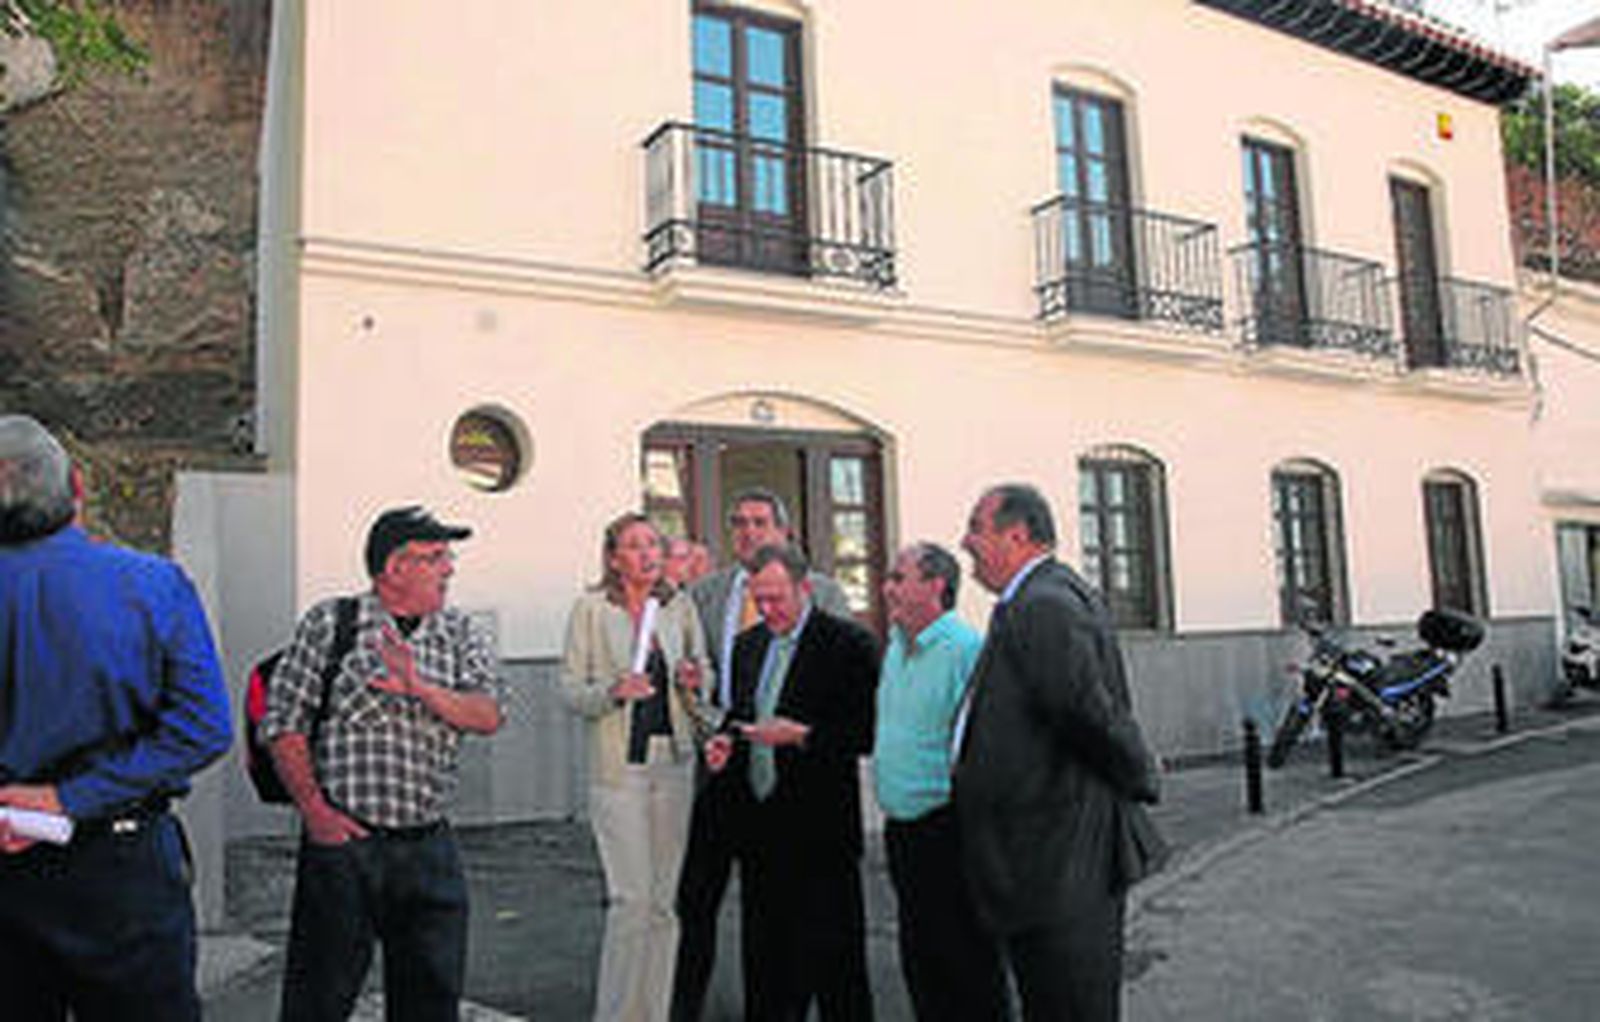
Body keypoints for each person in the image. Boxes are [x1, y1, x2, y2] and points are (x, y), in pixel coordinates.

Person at [0, 414, 233, 1021]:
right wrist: (67, 797)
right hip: (122, 871)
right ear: (77, 487)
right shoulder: (153, 585)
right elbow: (203, 729)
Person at [260, 504, 505, 1022]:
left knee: (431, 998)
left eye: (448, 556)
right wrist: (315, 813)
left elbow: (488, 715)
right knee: (319, 996)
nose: (449, 568)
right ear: (395, 568)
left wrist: (419, 687)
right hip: (347, 844)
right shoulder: (333, 622)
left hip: (429, 844)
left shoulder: (458, 632)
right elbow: (283, 722)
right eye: (435, 557)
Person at [954, 484, 1166, 1022]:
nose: (966, 542)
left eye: (977, 529)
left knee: (1069, 1002)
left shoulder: (1044, 604)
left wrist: (1142, 773)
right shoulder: (1034, 597)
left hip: (1060, 859)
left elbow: (1087, 713)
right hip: (1044, 855)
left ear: (1017, 535)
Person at [671, 488, 850, 1021]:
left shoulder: (823, 593)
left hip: (783, 770)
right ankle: (684, 1007)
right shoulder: (705, 594)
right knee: (696, 900)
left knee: (775, 909)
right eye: (739, 523)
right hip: (720, 764)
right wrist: (708, 726)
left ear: (784, 531)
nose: (748, 532)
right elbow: (695, 675)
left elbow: (836, 680)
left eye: (759, 522)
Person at [703, 543, 878, 1019]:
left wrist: (803, 736)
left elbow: (866, 731)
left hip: (822, 835)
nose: (768, 609)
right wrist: (725, 744)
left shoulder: (847, 644)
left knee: (837, 968)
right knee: (767, 965)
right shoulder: (748, 645)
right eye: (759, 599)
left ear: (805, 589)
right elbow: (740, 718)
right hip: (760, 831)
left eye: (777, 598)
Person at [561, 513, 715, 1022]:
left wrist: (695, 677)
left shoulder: (679, 606)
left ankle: (655, 1011)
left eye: (654, 544)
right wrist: (612, 691)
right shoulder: (590, 610)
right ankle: (617, 1014)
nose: (648, 554)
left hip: (672, 764)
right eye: (634, 546)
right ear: (613, 558)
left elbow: (704, 673)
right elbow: (570, 691)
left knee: (664, 903)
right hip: (618, 771)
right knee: (631, 899)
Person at [874, 543, 1010, 1022]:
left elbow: (985, 746)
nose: (886, 587)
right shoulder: (896, 645)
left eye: (898, 577)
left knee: (965, 963)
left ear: (935, 586)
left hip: (948, 831)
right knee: (922, 962)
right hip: (904, 831)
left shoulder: (965, 650)